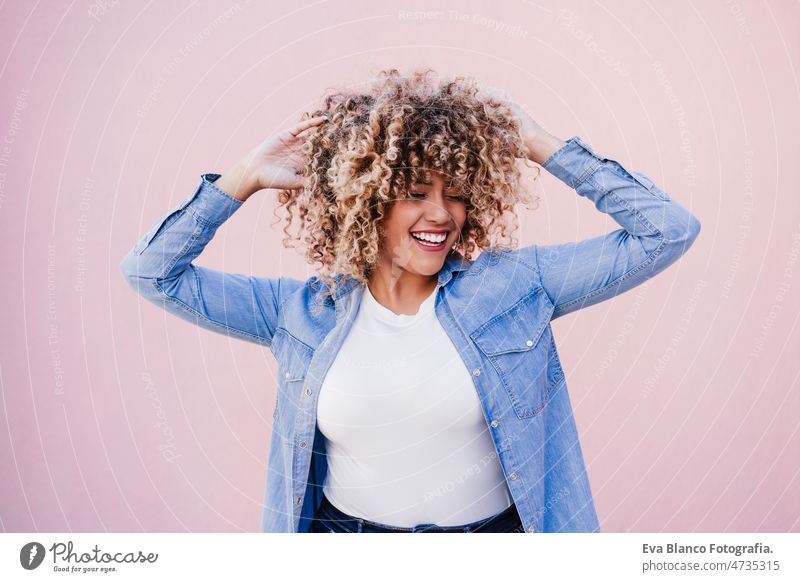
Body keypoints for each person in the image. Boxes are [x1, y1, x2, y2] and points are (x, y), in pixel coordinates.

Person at [120, 68, 701, 533]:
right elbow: (152, 273)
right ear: (367, 201)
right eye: (416, 193)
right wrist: (243, 177)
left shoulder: (517, 287)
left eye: (456, 195)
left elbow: (668, 230)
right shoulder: (298, 313)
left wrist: (542, 145)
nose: (442, 215)